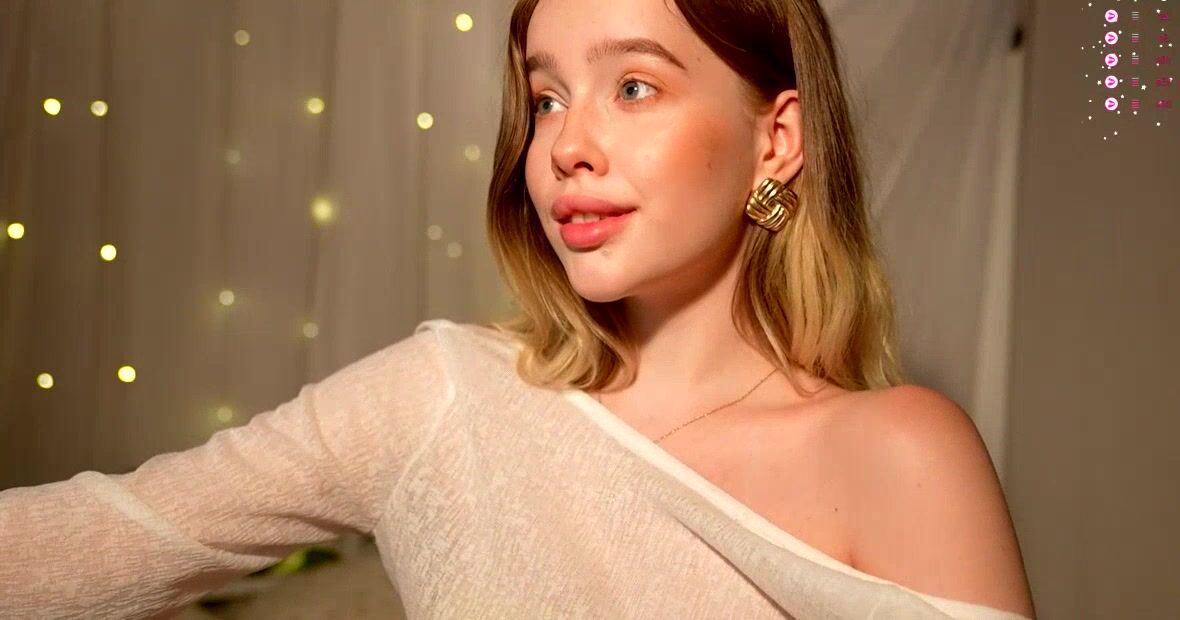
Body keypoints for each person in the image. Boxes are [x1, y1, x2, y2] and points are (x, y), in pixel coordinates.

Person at [0, 0, 1036, 618]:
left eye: (633, 87)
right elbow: (86, 544)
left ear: (777, 140)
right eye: (546, 98)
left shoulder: (901, 454)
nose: (565, 146)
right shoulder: (443, 399)